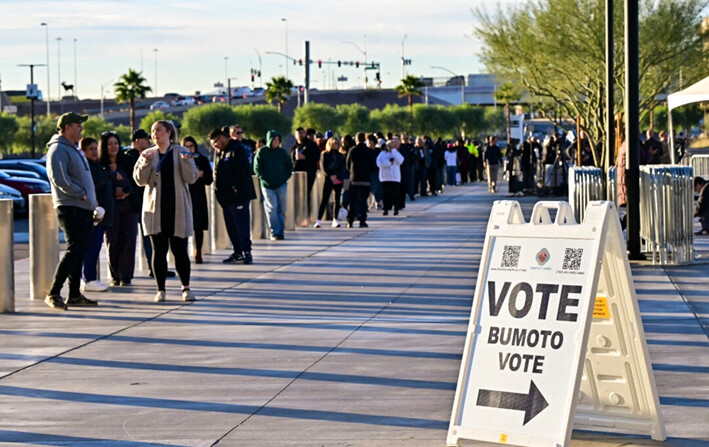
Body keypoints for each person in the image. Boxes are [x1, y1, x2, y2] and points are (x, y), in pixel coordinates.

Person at [133, 120, 199, 303]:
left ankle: (186, 288)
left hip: (177, 208)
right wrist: (145, 163)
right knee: (158, 250)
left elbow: (192, 178)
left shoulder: (181, 152)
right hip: (156, 210)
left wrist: (187, 163)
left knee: (179, 250)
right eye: (153, 132)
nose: (155, 134)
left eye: (159, 130)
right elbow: (139, 180)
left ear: (169, 132)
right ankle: (160, 289)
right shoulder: (148, 154)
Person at [45, 112, 98, 309]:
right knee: (74, 249)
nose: (81, 129)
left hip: (82, 208)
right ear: (67, 127)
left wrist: (91, 201)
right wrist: (80, 193)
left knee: (79, 251)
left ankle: (74, 294)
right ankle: (53, 293)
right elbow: (59, 179)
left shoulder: (74, 149)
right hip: (70, 207)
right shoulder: (58, 149)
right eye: (78, 125)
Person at [119, 129, 176, 279]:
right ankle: (153, 268)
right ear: (138, 141)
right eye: (145, 138)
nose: (149, 140)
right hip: (134, 203)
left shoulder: (145, 155)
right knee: (147, 238)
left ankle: (155, 267)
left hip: (142, 202)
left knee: (151, 237)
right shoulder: (130, 157)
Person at [209, 128, 256, 263]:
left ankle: (247, 252)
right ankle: (237, 252)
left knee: (241, 225)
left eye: (215, 143)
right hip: (225, 198)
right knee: (231, 226)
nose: (215, 146)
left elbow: (242, 172)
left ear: (222, 138)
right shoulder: (219, 153)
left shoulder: (237, 149)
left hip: (238, 196)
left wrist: (235, 188)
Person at [99, 131, 138, 287]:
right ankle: (115, 274)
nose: (114, 146)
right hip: (111, 207)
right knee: (112, 240)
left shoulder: (127, 161)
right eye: (110, 144)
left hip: (129, 206)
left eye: (116, 143)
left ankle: (126, 275)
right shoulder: (100, 165)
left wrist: (126, 190)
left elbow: (136, 183)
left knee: (128, 240)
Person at [80, 137, 112, 293]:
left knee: (94, 246)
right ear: (84, 151)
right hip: (94, 213)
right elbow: (95, 183)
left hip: (103, 212)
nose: (94, 151)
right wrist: (109, 174)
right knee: (91, 246)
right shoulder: (87, 167)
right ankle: (89, 278)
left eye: (95, 148)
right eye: (91, 149)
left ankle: (88, 277)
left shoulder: (97, 166)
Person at [254, 130, 292, 240]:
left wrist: (285, 177)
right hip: (267, 186)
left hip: (281, 184)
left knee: (282, 208)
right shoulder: (262, 152)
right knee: (272, 208)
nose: (276, 141)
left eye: (277, 139)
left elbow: (289, 166)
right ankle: (274, 231)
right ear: (269, 140)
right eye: (274, 139)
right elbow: (257, 168)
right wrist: (264, 179)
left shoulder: (282, 152)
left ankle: (281, 231)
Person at [182, 136, 213, 264]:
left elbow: (209, 179)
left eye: (191, 146)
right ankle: (183, 253)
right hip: (184, 195)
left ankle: (198, 251)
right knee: (182, 226)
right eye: (187, 146)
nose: (189, 149)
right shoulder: (179, 159)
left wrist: (202, 174)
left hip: (198, 196)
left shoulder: (202, 159)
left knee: (198, 225)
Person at [346, 132, 377, 228]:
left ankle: (350, 221)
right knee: (363, 201)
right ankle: (362, 221)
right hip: (365, 179)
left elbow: (347, 164)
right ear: (364, 140)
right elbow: (373, 165)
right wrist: (368, 172)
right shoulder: (369, 151)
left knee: (352, 201)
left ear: (356, 139)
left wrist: (352, 172)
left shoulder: (352, 150)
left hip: (354, 178)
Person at [314, 137, 346, 228]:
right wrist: (331, 176)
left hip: (338, 178)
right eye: (334, 143)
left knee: (337, 199)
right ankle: (318, 220)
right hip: (328, 179)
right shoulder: (324, 154)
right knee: (324, 199)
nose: (336, 144)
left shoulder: (341, 156)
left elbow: (343, 168)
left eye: (337, 143)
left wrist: (336, 176)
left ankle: (335, 219)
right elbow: (323, 167)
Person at [289, 127, 319, 206]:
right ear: (295, 136)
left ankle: (307, 213)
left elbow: (317, 157)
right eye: (299, 133)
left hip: (309, 172)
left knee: (306, 193)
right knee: (297, 193)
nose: (301, 135)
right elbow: (291, 161)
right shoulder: (293, 148)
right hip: (297, 173)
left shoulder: (311, 145)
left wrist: (305, 157)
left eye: (302, 133)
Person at [377, 137, 405, 216]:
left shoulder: (396, 153)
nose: (390, 148)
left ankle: (396, 209)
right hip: (385, 178)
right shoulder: (382, 154)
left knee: (395, 195)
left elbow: (401, 160)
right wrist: (388, 163)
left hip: (395, 178)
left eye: (391, 146)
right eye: (389, 146)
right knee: (385, 195)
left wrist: (394, 151)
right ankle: (385, 209)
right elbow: (379, 163)